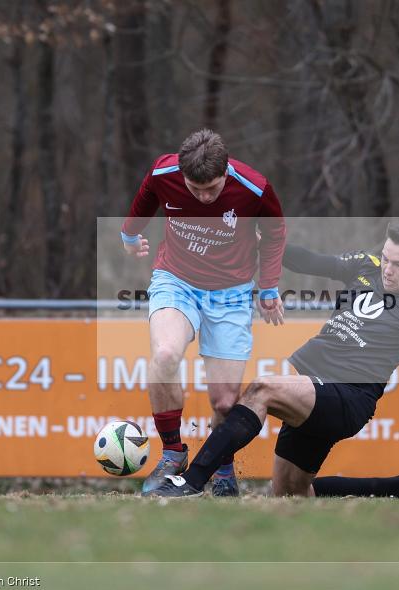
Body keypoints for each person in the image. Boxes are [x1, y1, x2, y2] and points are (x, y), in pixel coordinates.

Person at [148, 219, 399, 498]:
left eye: (398, 265)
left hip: (346, 398)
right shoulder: (365, 267)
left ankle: (189, 481)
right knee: (290, 498)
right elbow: (310, 262)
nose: (387, 270)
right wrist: (261, 240)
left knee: (261, 388)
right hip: (310, 384)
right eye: (385, 258)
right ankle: (395, 488)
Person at [121, 129, 286, 496]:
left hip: (231, 291)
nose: (205, 196)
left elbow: (275, 233)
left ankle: (221, 466)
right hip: (175, 280)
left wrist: (270, 286)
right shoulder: (164, 172)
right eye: (196, 190)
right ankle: (173, 452)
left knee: (225, 402)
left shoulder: (254, 187)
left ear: (226, 172)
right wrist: (130, 236)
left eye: (212, 188)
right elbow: (145, 199)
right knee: (164, 354)